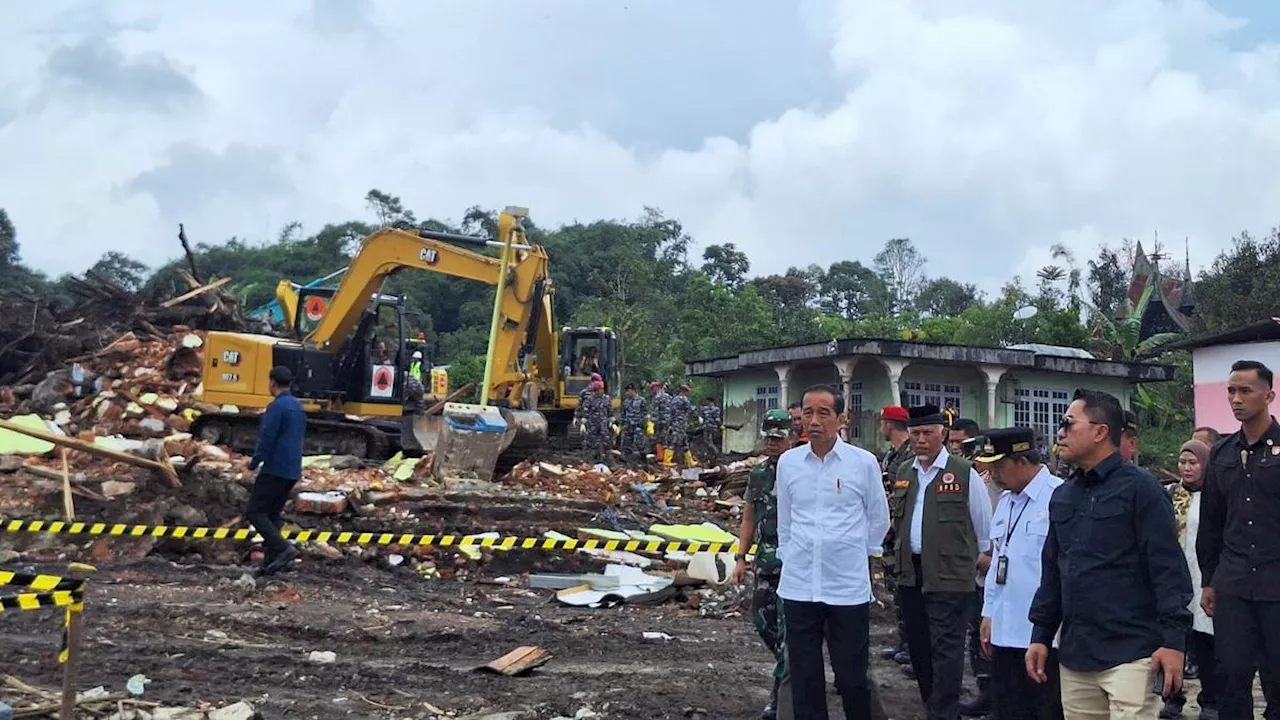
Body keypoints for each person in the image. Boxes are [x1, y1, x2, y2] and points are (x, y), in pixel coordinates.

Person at [1028, 389, 1192, 719]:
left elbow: (1167, 570)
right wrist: (1041, 635)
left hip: (1133, 653)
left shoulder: (1142, 490)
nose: (1060, 433)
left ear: (1101, 431)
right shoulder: (1063, 496)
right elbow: (1053, 572)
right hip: (1077, 655)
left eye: (1068, 423)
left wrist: (1174, 642)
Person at [777, 384, 890, 720]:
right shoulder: (789, 463)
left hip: (847, 590)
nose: (813, 420)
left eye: (823, 413)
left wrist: (855, 553)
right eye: (807, 412)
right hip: (799, 588)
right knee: (805, 679)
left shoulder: (863, 462)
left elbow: (878, 519)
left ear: (842, 418)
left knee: (852, 678)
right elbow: (785, 521)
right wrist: (790, 555)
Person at [891, 404, 994, 720]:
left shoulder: (963, 473)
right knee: (919, 648)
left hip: (951, 575)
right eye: (916, 433)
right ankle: (931, 705)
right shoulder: (904, 472)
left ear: (943, 434)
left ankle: (945, 713)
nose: (921, 440)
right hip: (911, 573)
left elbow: (984, 528)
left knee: (947, 651)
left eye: (928, 433)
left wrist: (977, 566)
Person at [1197, 360, 1280, 720]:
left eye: (1245, 390)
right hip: (1231, 582)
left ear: (1269, 395)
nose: (1236, 398)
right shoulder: (1222, 452)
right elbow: (1212, 522)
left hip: (1276, 582)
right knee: (1231, 676)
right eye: (1231, 391)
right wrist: (1209, 580)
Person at [974, 428, 1065, 720]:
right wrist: (989, 613)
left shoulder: (1058, 497)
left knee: (1044, 709)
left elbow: (1063, 570)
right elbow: (999, 560)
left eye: (1000, 466)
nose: (994, 474)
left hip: (1043, 634)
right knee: (1008, 709)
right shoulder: (1005, 502)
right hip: (1004, 628)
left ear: (1023, 461)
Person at [735, 408, 797, 720]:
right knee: (762, 622)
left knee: (788, 632)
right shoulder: (758, 473)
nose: (772, 443)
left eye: (778, 437)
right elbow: (748, 517)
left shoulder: (800, 469)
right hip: (766, 560)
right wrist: (740, 557)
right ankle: (795, 668)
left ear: (791, 439)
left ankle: (779, 697)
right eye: (769, 437)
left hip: (793, 562)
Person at [1160, 439, 1218, 720]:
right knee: (1174, 639)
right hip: (1174, 576)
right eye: (1183, 462)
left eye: (1193, 462)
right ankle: (1172, 697)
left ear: (1205, 464)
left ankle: (1210, 699)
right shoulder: (1169, 494)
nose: (1186, 467)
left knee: (1206, 641)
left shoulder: (1215, 496)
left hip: (1202, 576)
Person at [246, 366, 307, 577]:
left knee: (254, 512)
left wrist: (254, 463)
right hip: (291, 470)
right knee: (272, 515)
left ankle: (284, 549)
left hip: (274, 468)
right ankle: (271, 564)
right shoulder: (298, 407)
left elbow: (267, 438)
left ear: (272, 382)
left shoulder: (277, 407)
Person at [879, 405, 915, 671]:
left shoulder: (911, 454)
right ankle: (904, 642)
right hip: (889, 532)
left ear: (889, 424)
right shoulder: (891, 455)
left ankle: (913, 646)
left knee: (908, 590)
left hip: (903, 529)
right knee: (896, 589)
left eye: (882, 423)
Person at [665, 384, 696, 467]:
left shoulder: (674, 399)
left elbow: (670, 411)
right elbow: (690, 409)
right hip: (680, 423)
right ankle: (667, 460)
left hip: (674, 423)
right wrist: (697, 417)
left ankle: (690, 461)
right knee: (674, 440)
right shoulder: (684, 399)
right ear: (685, 391)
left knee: (684, 441)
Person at [400, 369, 426, 458]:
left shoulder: (407, 382)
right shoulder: (409, 380)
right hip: (413, 409)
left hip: (412, 411)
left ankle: (411, 453)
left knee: (409, 432)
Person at [619, 383, 647, 461]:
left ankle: (643, 460)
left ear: (633, 390)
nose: (627, 393)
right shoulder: (626, 402)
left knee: (640, 443)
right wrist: (622, 424)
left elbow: (644, 413)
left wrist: (642, 424)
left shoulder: (641, 400)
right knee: (627, 444)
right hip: (628, 426)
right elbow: (623, 414)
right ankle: (628, 461)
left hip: (637, 426)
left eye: (628, 391)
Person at [649, 381, 670, 460]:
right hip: (667, 421)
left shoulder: (657, 397)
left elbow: (656, 411)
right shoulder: (668, 396)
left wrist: (652, 420)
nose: (652, 390)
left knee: (659, 438)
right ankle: (665, 457)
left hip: (660, 421)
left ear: (656, 387)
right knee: (665, 438)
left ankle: (660, 456)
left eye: (653, 388)